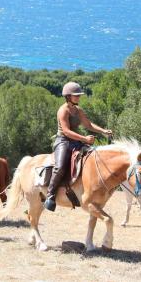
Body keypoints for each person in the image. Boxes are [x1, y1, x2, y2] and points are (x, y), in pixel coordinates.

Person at [44, 82, 113, 212]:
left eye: (78, 95)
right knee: (59, 167)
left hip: (76, 141)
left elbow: (88, 124)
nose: (78, 97)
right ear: (68, 96)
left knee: (93, 157)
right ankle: (50, 195)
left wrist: (103, 131)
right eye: (76, 95)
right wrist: (84, 139)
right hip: (63, 141)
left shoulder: (78, 110)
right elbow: (66, 131)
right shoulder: (63, 110)